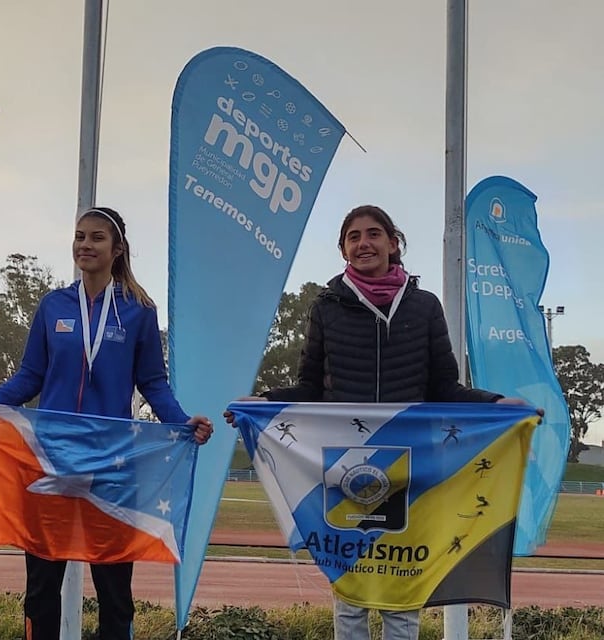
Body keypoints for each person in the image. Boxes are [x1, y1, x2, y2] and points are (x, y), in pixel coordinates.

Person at [225, 204, 534, 640]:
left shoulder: (424, 306)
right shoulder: (326, 307)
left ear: (394, 243)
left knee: (400, 589)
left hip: (409, 465)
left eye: (373, 234)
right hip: (342, 463)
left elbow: (445, 386)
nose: (363, 243)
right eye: (353, 236)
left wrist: (497, 403)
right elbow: (309, 386)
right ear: (343, 249)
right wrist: (263, 401)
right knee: (349, 591)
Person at [0, 206, 213, 640]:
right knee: (42, 586)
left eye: (96, 238)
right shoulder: (53, 306)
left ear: (117, 248)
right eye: (79, 236)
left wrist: (182, 423)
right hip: (51, 459)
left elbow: (153, 383)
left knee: (114, 590)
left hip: (114, 465)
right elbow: (29, 378)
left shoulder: (138, 310)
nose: (85, 245)